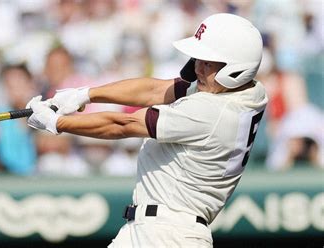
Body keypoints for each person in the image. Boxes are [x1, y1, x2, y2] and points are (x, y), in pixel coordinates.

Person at [26, 13, 268, 247]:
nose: (197, 69)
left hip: (170, 235)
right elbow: (155, 90)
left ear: (236, 69)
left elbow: (123, 125)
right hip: (150, 230)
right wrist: (85, 94)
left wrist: (56, 123)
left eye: (207, 62)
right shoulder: (246, 92)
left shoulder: (212, 111)